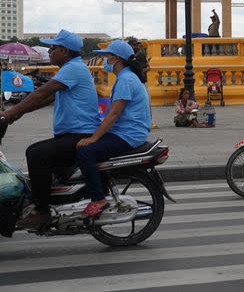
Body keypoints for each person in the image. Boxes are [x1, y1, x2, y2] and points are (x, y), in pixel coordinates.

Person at [3, 30, 99, 228]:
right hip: (72, 133)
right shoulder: (71, 68)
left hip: (80, 134)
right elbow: (47, 98)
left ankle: (42, 211)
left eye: (52, 48)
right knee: (43, 157)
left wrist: (9, 114)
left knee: (36, 154)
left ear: (64, 51)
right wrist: (17, 114)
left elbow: (42, 92)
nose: (49, 52)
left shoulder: (72, 69)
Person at [76, 40, 151, 217]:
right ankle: (102, 189)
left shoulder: (125, 79)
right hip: (126, 131)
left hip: (129, 135)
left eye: (106, 56)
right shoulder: (127, 77)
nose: (104, 60)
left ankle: (98, 198)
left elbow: (114, 114)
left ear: (116, 58)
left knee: (85, 152)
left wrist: (93, 138)